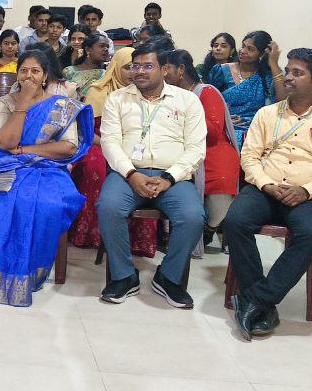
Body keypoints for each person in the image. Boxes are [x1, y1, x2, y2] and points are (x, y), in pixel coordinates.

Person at [223, 48, 312, 339]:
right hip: (265, 189)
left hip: (308, 195)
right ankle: (262, 302)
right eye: (288, 71)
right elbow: (250, 157)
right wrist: (266, 184)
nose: (288, 78)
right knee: (235, 221)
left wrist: (306, 190)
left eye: (297, 73)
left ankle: (257, 299)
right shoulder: (267, 114)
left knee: (311, 234)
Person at [0, 49, 94, 306]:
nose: (28, 76)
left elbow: (68, 147)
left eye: (35, 71)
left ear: (45, 76)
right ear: (17, 74)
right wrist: (23, 104)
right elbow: (5, 143)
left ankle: (29, 271)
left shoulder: (61, 105)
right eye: (23, 70)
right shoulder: (5, 103)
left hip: (49, 168)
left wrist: (26, 151)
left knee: (48, 204)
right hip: (7, 165)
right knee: (2, 201)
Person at [98, 43, 207, 308]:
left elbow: (196, 148)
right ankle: (124, 276)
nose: (139, 71)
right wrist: (131, 174)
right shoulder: (117, 99)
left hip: (173, 177)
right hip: (127, 173)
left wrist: (169, 177)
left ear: (165, 69)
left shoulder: (187, 100)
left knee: (193, 217)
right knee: (109, 207)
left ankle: (168, 277)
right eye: (135, 66)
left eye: (148, 66)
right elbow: (109, 142)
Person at [70, 46, 158, 256]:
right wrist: (111, 145)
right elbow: (86, 130)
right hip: (98, 142)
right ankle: (93, 234)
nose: (133, 72)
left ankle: (137, 239)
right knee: (96, 168)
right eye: (127, 67)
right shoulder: (98, 91)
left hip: (134, 145)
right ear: (116, 67)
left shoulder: (147, 93)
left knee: (146, 166)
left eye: (136, 67)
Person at [160, 49, 239, 253]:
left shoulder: (206, 91)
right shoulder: (165, 93)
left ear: (181, 69)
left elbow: (213, 132)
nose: (163, 73)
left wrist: (185, 111)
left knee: (221, 180)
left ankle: (208, 228)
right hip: (178, 149)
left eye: (166, 68)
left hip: (211, 149)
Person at [207, 30, 287, 146]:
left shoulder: (267, 77)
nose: (243, 51)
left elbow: (282, 103)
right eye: (243, 46)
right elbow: (208, 102)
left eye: (250, 49)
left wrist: (273, 62)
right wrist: (224, 118)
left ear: (261, 54)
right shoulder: (221, 71)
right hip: (224, 126)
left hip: (255, 129)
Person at [64, 32, 109, 99]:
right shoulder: (69, 72)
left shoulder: (107, 73)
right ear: (88, 49)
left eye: (107, 47)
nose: (106, 49)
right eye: (101, 46)